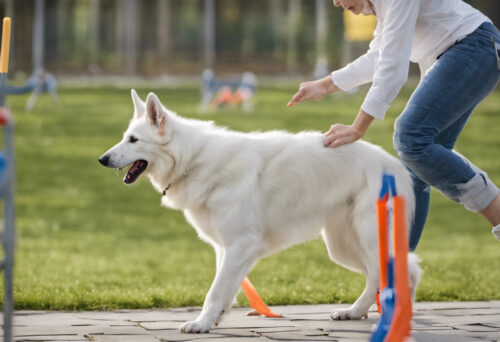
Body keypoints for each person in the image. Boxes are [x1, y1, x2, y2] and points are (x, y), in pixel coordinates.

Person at [288, 0, 500, 250]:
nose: (336, 3)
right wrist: (327, 84)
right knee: (415, 170)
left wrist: (358, 128)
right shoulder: (385, 7)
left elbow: (393, 65)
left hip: (472, 46)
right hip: (461, 52)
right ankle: (397, 278)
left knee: (411, 138)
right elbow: (380, 55)